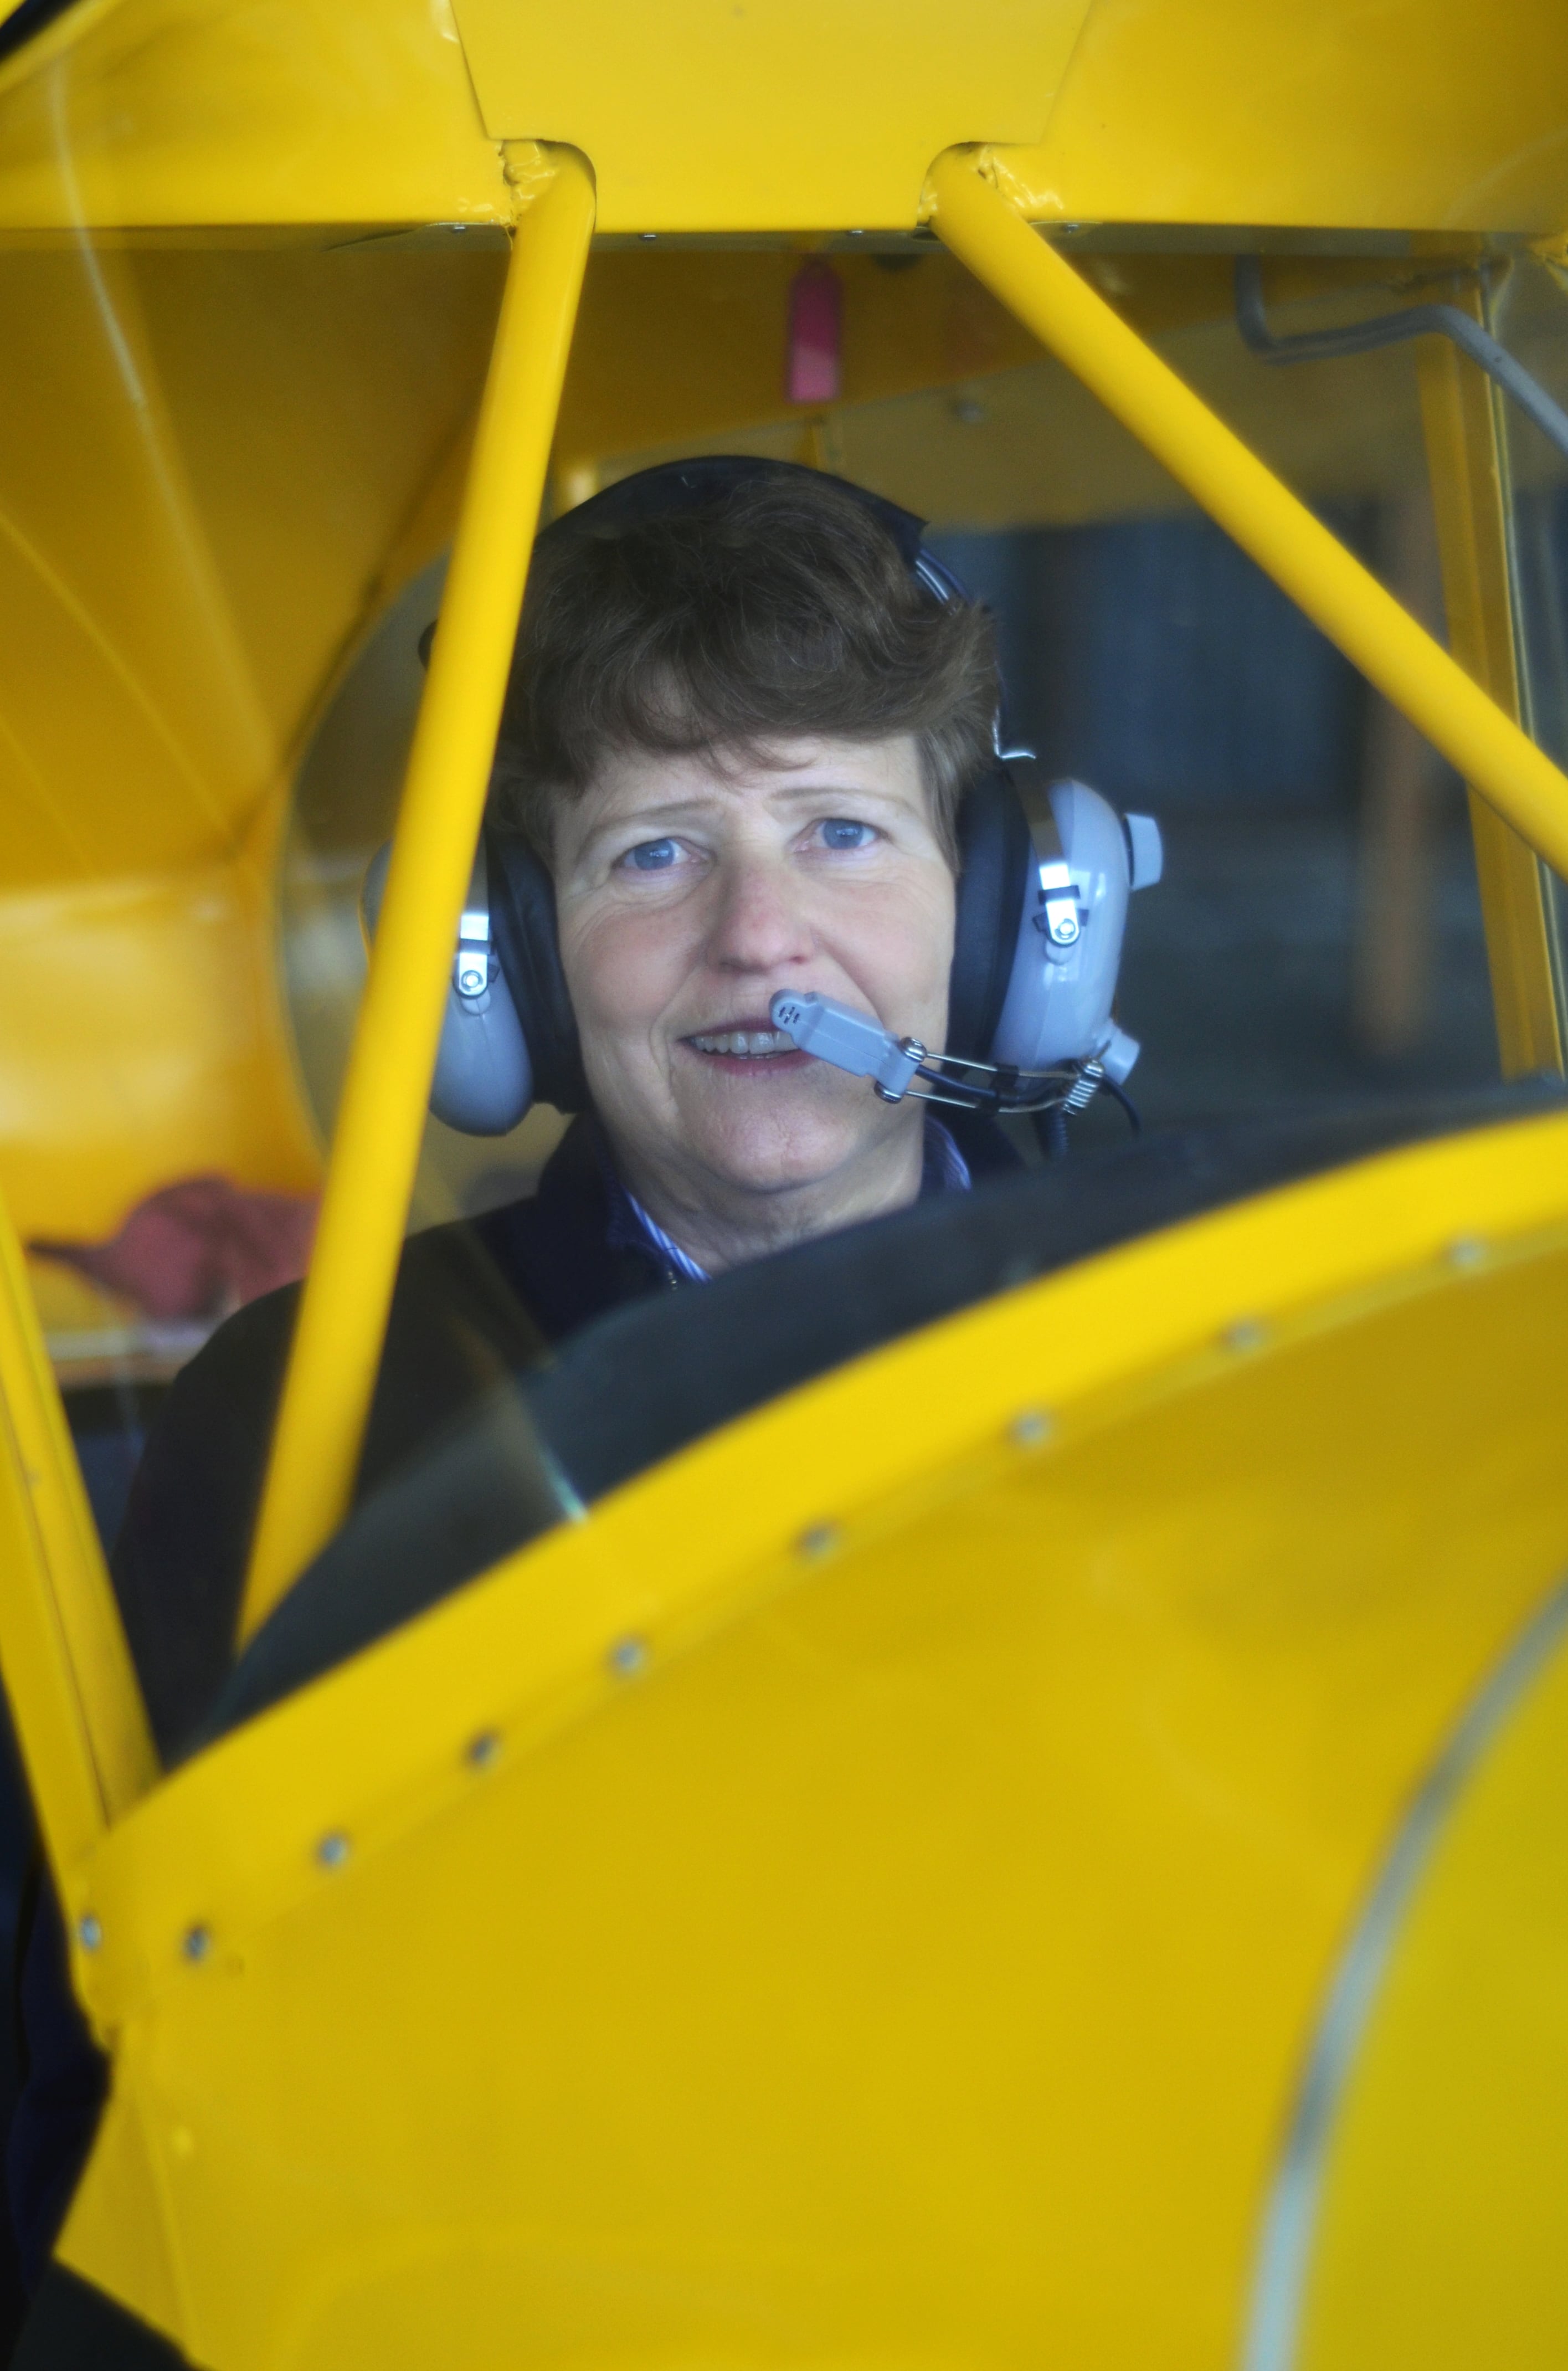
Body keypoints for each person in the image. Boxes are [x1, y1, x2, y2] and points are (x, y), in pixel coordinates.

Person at [8, 458, 1021, 2282]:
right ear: (516, 967)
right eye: (655, 852)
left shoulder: (1233, 1317)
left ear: (1017, 909)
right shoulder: (296, 1417)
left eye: (841, 832)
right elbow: (122, 2115)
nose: (762, 935)